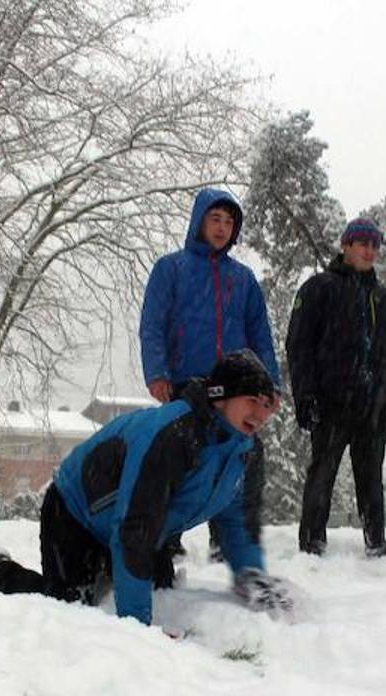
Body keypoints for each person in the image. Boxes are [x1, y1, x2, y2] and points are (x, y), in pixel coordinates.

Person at [0, 350, 295, 627]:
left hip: (144, 524)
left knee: (160, 592)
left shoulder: (246, 451)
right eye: (253, 400)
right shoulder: (173, 435)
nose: (261, 414)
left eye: (268, 405)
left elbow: (238, 521)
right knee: (70, 607)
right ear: (221, 396)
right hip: (76, 510)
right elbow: (135, 529)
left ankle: (109, 570)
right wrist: (136, 633)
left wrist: (250, 574)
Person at [138, 187, 282, 561]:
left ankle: (229, 541)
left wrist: (269, 383)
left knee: (244, 456)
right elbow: (152, 324)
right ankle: (166, 536)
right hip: (186, 383)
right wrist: (157, 372)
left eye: (229, 221)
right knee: (179, 457)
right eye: (215, 219)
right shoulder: (171, 268)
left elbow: (260, 334)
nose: (222, 228)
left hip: (235, 386)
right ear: (199, 221)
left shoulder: (244, 279)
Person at [286, 217, 386, 558]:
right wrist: (305, 397)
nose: (369, 250)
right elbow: (299, 346)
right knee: (322, 472)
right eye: (362, 243)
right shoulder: (319, 289)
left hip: (373, 405)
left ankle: (376, 541)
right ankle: (312, 544)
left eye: (374, 245)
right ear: (346, 245)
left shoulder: (384, 299)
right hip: (331, 402)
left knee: (370, 477)